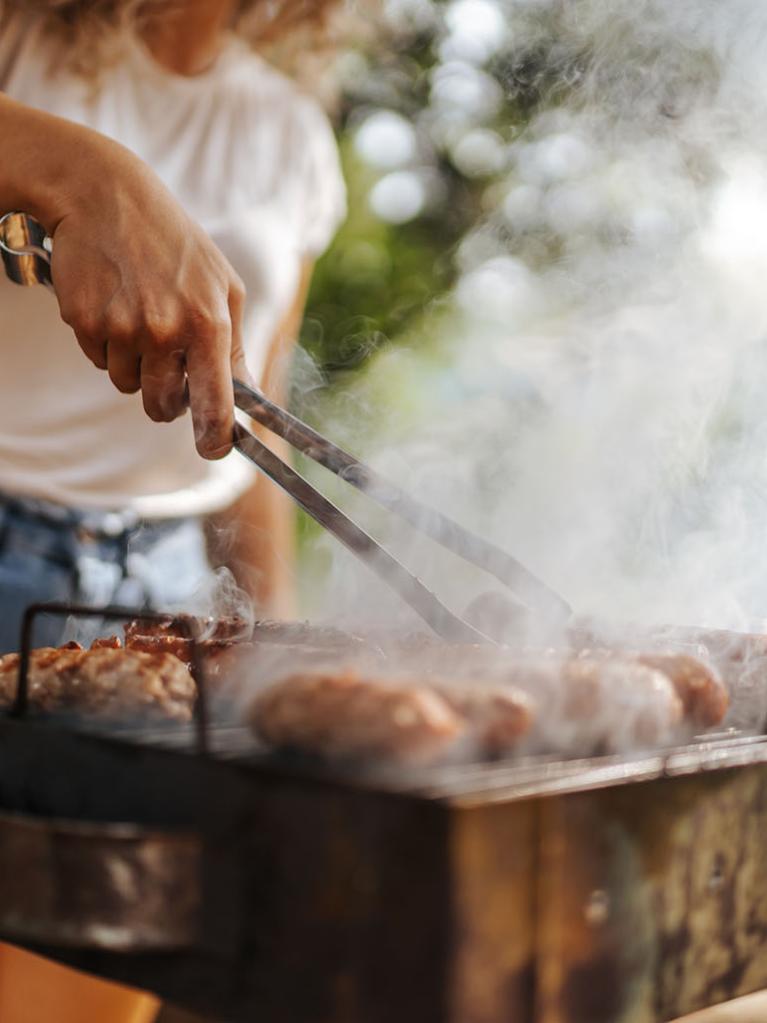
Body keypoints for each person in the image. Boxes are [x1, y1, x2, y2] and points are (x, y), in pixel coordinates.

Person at [0, 0, 346, 1019]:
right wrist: (89, 172)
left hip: (167, 602)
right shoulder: (24, 40)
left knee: (98, 983)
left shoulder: (290, 130)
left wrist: (272, 643)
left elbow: (253, 423)